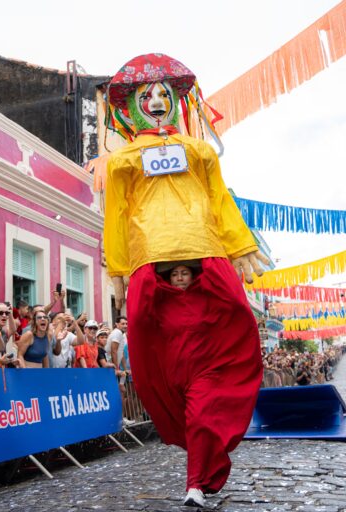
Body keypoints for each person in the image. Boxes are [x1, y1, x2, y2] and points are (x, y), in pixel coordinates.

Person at [104, 53, 267, 508]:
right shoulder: (122, 161)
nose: (156, 101)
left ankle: (201, 463)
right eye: (147, 96)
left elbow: (219, 199)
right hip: (148, 257)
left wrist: (239, 245)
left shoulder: (199, 151)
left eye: (164, 95)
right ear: (133, 106)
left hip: (205, 249)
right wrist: (117, 267)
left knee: (235, 331)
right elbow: (114, 215)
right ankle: (199, 458)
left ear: (176, 102)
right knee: (155, 354)